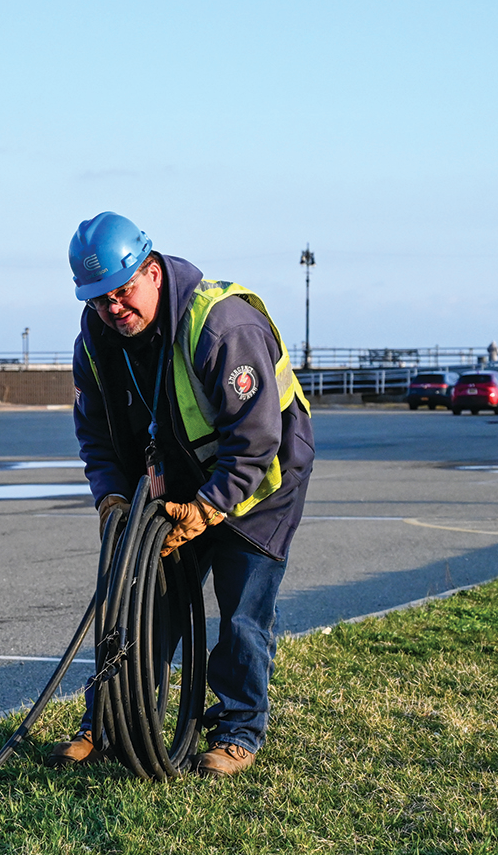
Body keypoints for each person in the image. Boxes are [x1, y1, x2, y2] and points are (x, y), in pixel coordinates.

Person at [50, 211, 314, 777]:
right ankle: (106, 722)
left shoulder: (222, 325)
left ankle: (240, 729)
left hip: (258, 484)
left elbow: (256, 438)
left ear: (152, 271)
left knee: (242, 611)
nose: (113, 309)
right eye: (99, 300)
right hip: (179, 481)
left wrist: (209, 507)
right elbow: (95, 430)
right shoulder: (96, 338)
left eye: (122, 293)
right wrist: (111, 497)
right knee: (140, 603)